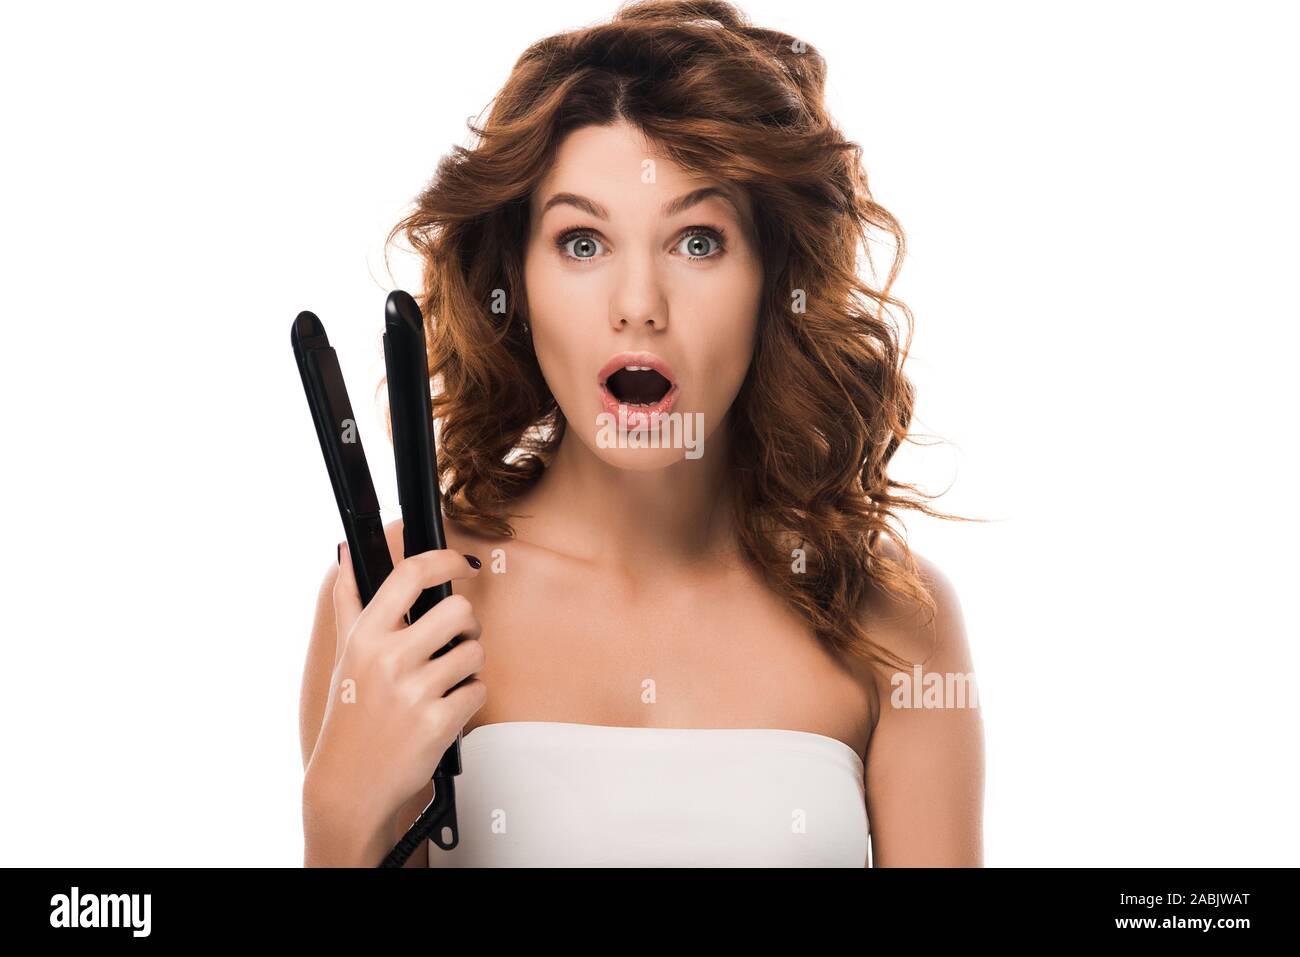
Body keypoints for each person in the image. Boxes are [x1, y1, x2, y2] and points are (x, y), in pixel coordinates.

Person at [300, 0, 984, 867]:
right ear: (519, 276)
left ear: (774, 276)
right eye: (582, 243)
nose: (638, 305)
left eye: (698, 241)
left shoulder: (894, 619)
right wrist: (339, 812)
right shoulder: (396, 600)